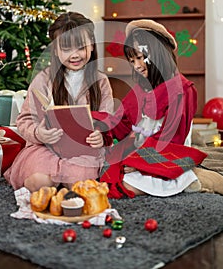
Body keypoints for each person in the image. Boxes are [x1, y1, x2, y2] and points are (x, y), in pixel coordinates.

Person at [94, 19, 223, 198]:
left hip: (164, 155)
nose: (137, 66)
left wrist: (139, 161)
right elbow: (122, 122)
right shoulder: (142, 87)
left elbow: (172, 138)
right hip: (139, 150)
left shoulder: (182, 90)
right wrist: (100, 126)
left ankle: (199, 179)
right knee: (108, 174)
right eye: (132, 61)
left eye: (139, 58)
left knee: (125, 185)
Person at [4, 11, 114, 192]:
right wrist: (39, 133)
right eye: (66, 49)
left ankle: (65, 184)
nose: (75, 55)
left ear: (92, 45)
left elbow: (107, 120)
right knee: (39, 183)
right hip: (44, 148)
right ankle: (50, 182)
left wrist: (100, 135)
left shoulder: (100, 81)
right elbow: (24, 120)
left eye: (81, 47)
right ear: (55, 49)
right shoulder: (43, 79)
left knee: (80, 186)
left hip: (83, 152)